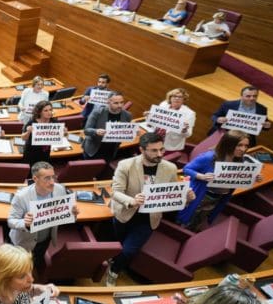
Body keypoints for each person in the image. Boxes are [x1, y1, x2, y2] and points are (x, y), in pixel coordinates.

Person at [106, 132, 195, 286]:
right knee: (119, 244)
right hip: (125, 213)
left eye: (162, 150)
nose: (160, 154)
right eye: (154, 150)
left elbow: (172, 195)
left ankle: (113, 270)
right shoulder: (125, 165)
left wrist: (185, 198)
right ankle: (115, 259)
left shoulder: (170, 168)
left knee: (129, 250)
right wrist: (132, 201)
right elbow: (115, 192)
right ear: (142, 150)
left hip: (149, 218)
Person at [178, 130, 260, 232]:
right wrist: (201, 176)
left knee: (201, 218)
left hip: (219, 197)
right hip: (201, 195)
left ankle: (192, 231)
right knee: (189, 218)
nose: (243, 149)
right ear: (228, 144)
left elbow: (235, 177)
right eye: (239, 145)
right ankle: (183, 233)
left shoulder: (240, 159)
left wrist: (252, 177)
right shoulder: (209, 157)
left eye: (246, 146)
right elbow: (187, 169)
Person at [8, 161, 79, 271]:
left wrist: (73, 214)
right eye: (47, 178)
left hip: (45, 239)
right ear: (35, 179)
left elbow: (63, 215)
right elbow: (11, 221)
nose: (52, 182)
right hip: (24, 242)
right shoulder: (21, 196)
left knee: (37, 260)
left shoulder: (60, 189)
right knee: (19, 268)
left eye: (53, 177)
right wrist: (24, 223)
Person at [83, 91, 132, 162]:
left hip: (111, 150)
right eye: (116, 103)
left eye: (122, 102)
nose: (120, 105)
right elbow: (86, 130)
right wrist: (96, 131)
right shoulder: (97, 112)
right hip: (93, 149)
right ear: (108, 102)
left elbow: (124, 131)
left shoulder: (127, 115)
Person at [152, 88, 196, 155]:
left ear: (184, 99)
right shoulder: (163, 104)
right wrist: (149, 116)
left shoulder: (190, 113)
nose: (177, 98)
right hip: (154, 139)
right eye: (174, 96)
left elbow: (188, 134)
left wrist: (184, 130)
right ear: (170, 97)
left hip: (170, 145)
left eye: (180, 97)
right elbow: (156, 121)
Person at [21, 100, 55, 168]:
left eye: (50, 110)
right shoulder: (32, 122)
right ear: (40, 112)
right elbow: (23, 138)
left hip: (45, 153)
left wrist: (64, 132)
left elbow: (59, 135)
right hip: (31, 153)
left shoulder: (53, 121)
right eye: (46, 110)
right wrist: (28, 132)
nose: (49, 112)